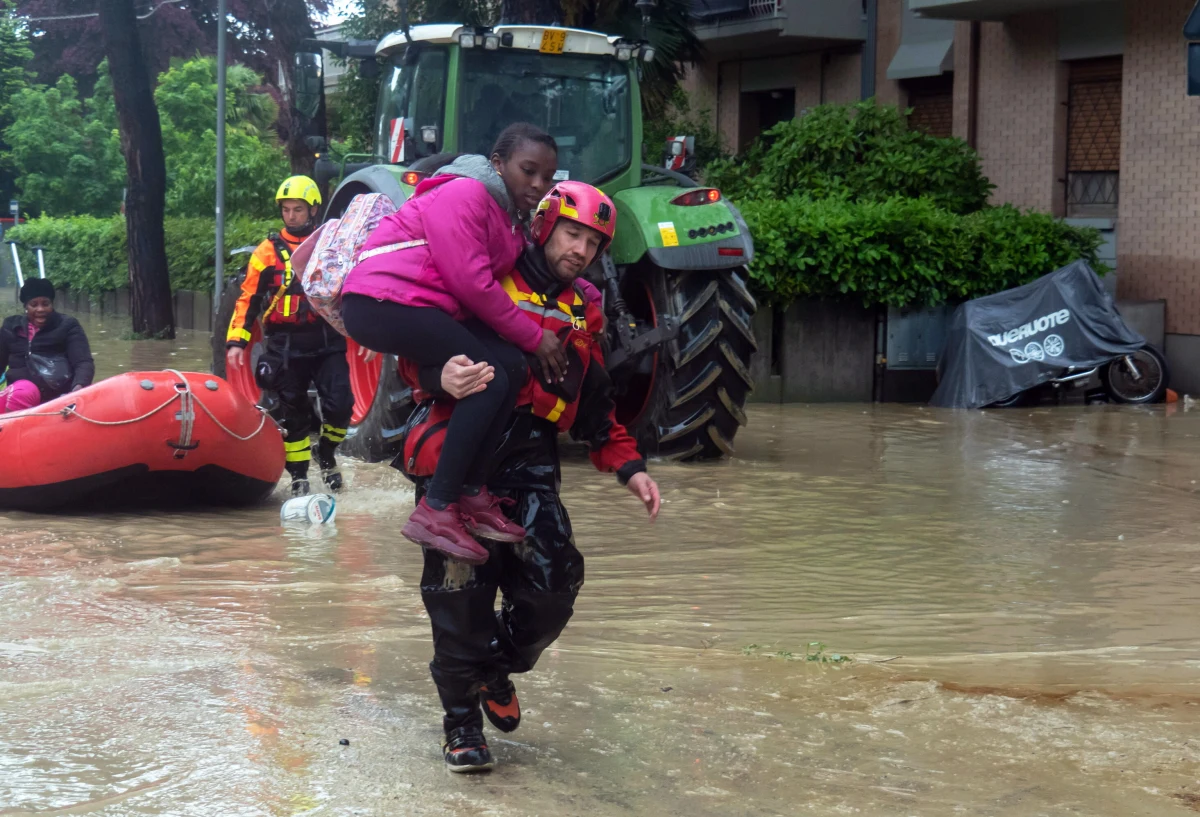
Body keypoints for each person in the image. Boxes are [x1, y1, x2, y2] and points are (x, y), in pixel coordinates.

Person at [398, 182, 661, 773]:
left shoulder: (586, 305)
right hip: (457, 453)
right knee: (458, 597)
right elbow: (413, 353)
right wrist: (442, 378)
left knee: (554, 585)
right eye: (573, 234)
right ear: (543, 226)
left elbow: (594, 397)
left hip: (530, 456)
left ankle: (496, 667)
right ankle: (462, 726)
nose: (581, 250)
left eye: (594, 243)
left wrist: (628, 465)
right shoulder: (481, 273)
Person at [341, 123, 568, 565]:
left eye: (548, 177)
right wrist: (536, 338)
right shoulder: (463, 194)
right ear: (498, 165)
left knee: (511, 369)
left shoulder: (507, 217)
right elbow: (473, 284)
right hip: (382, 300)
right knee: (489, 376)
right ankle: (437, 507)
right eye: (529, 171)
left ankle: (470, 491)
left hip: (421, 305)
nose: (539, 185)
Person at [225, 175, 352, 497]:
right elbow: (248, 299)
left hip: (326, 341)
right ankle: (299, 478)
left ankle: (326, 453)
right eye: (286, 209)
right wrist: (237, 342)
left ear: (312, 211)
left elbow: (351, 289)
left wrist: (367, 335)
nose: (291, 216)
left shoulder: (329, 244)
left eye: (298, 209)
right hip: (285, 346)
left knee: (341, 405)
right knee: (292, 413)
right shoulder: (266, 253)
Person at [0, 278, 94, 413]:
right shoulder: (11, 326)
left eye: (46, 304)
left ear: (52, 304)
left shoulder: (67, 325)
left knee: (25, 391)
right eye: (34, 304)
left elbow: (83, 362)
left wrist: (77, 391)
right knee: (23, 391)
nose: (40, 309)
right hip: (17, 396)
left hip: (58, 398)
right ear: (26, 306)